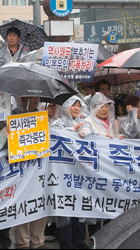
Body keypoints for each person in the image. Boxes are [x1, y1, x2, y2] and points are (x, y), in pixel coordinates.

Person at [50, 96, 90, 249]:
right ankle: (66, 242)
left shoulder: (84, 123)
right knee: (65, 207)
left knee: (79, 206)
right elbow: (52, 134)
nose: (76, 108)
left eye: (79, 105)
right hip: (62, 171)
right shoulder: (58, 123)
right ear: (66, 107)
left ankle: (79, 240)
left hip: (79, 172)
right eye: (73, 105)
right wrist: (71, 131)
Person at [11, 96, 49, 250]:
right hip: (19, 169)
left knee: (40, 202)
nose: (36, 100)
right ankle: (22, 242)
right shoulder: (13, 115)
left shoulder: (41, 116)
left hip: (39, 168)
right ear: (21, 98)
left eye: (37, 97)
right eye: (31, 97)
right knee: (22, 204)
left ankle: (38, 241)